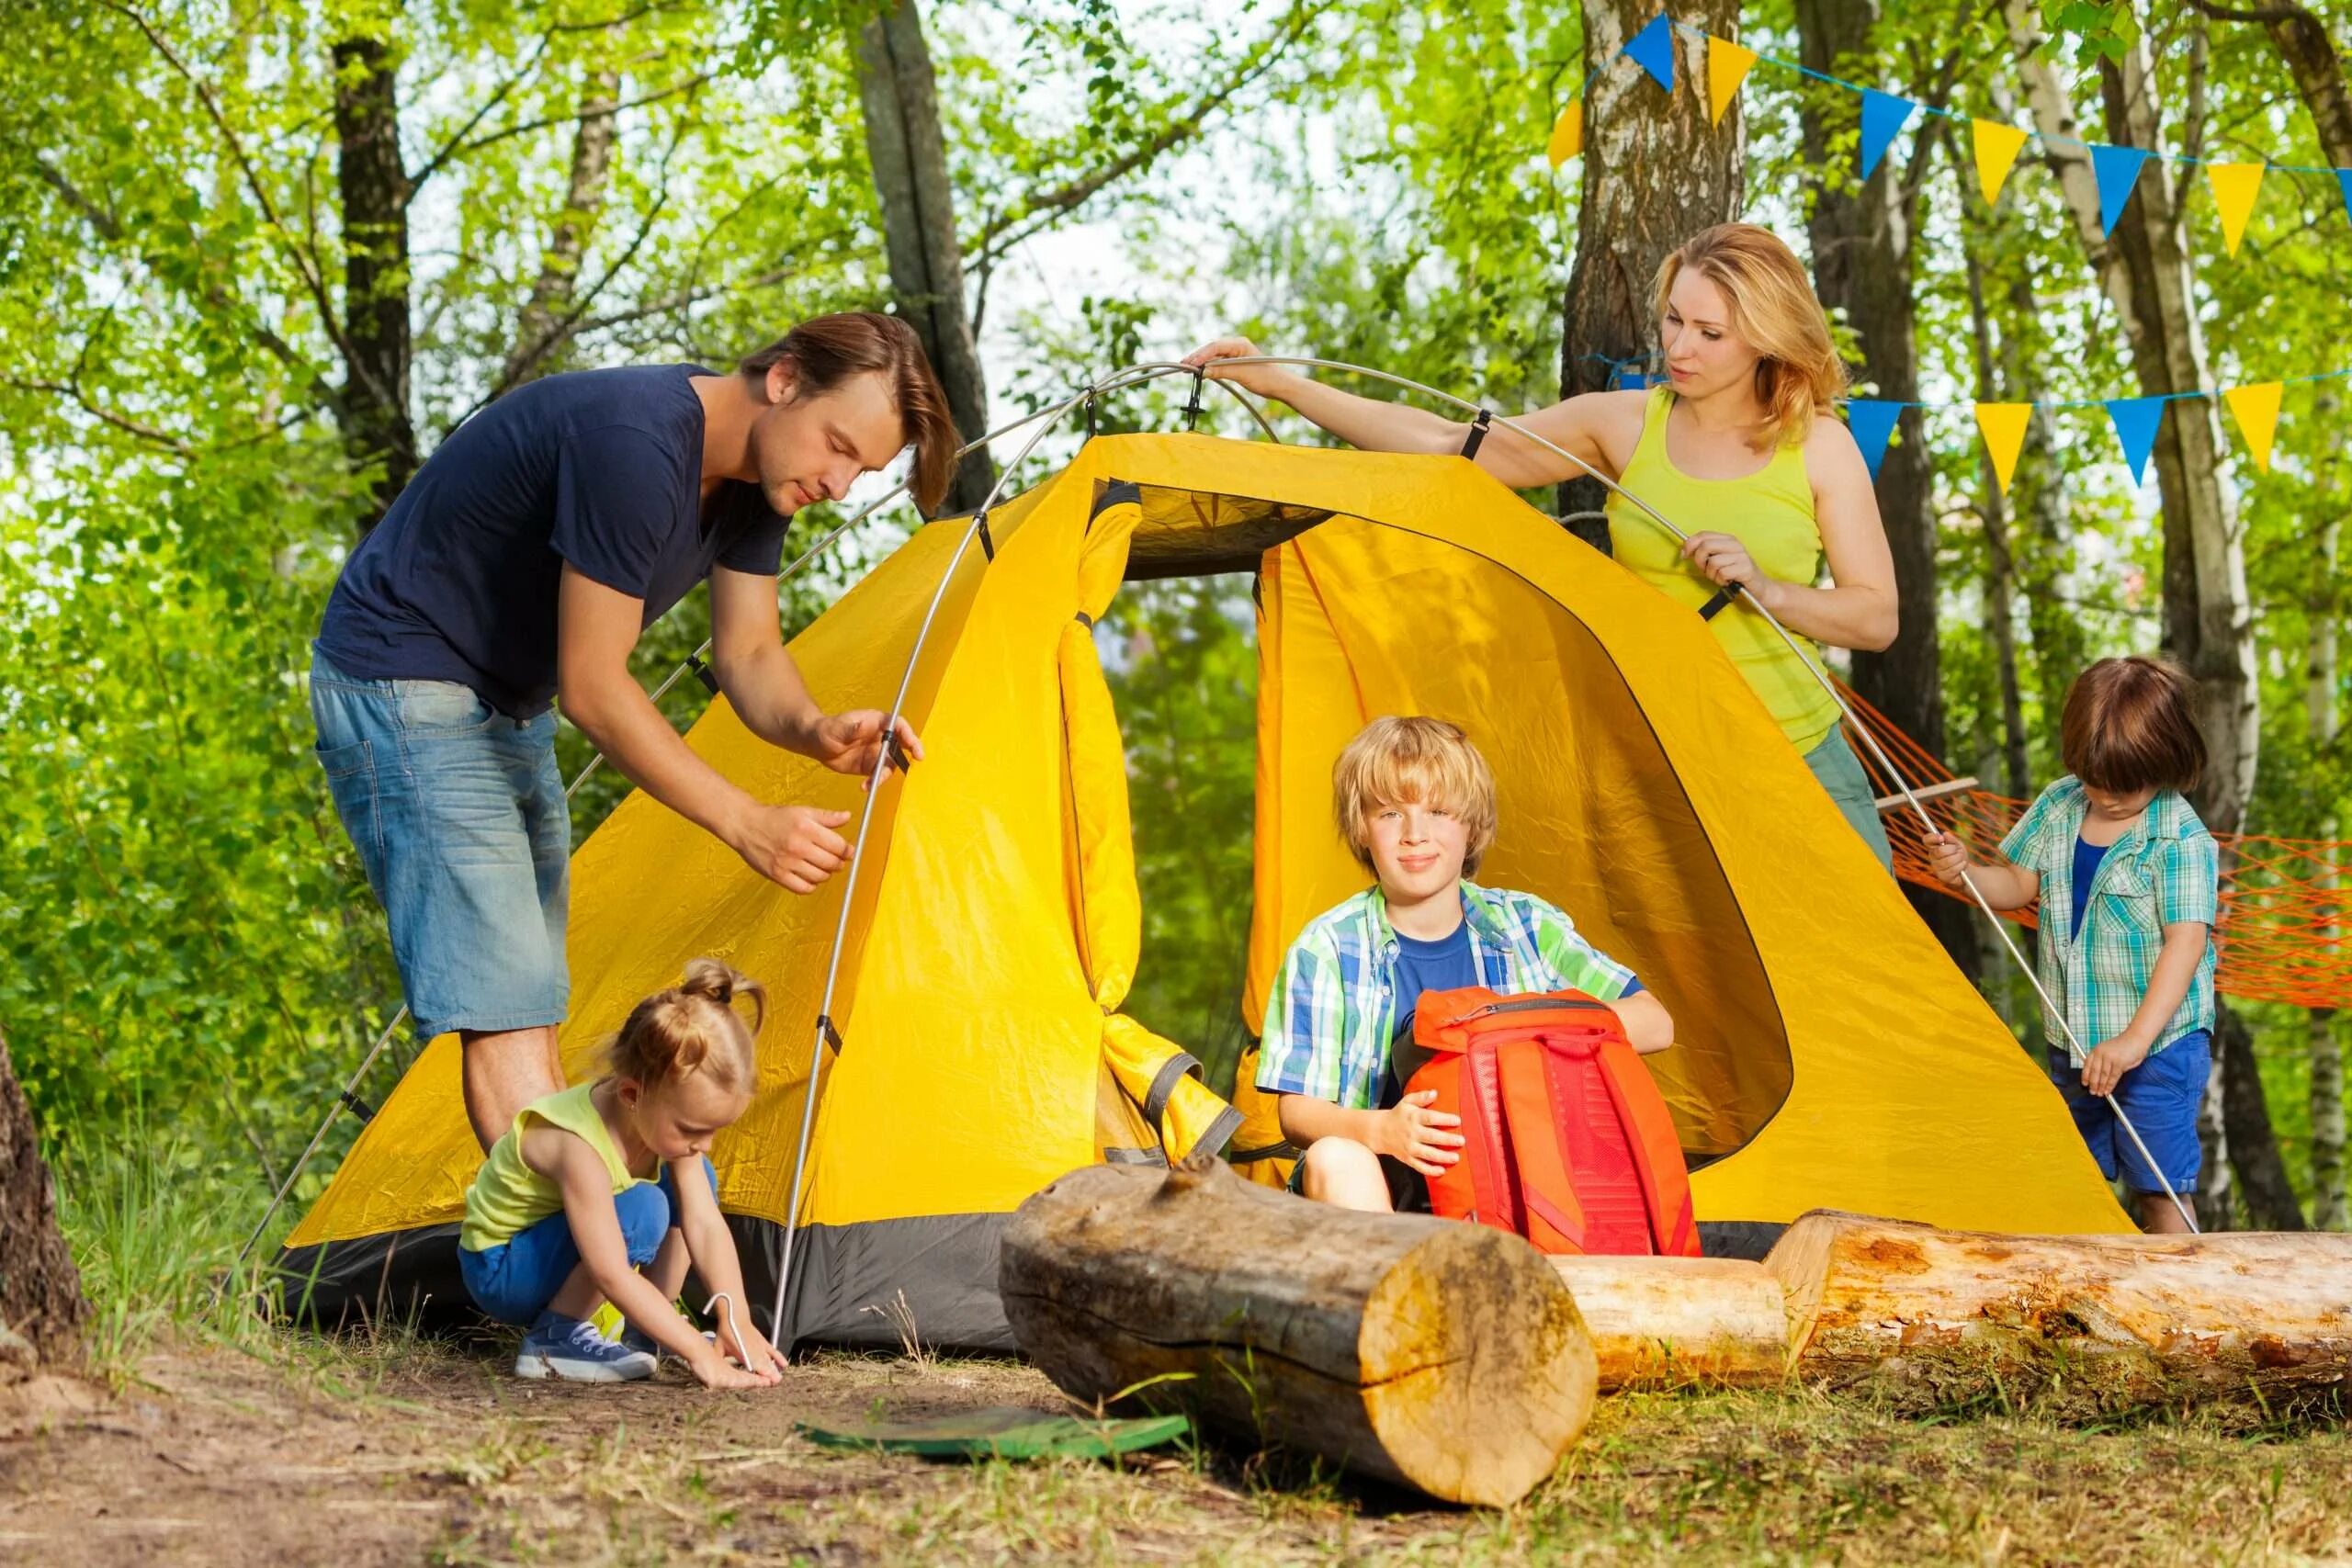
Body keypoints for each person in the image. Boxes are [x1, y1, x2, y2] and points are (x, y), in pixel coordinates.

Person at [311, 311, 959, 1150]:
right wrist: (748, 822)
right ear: (786, 379)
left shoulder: (762, 476)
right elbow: (593, 685)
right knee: (504, 1001)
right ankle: (575, 1261)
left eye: (861, 468)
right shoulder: (638, 444)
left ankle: (577, 1256)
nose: (839, 482)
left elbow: (751, 650)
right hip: (403, 678)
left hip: (503, 704)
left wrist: (814, 729)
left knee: (533, 993)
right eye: (837, 445)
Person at [1183, 222, 1900, 868]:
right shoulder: (1620, 426)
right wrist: (1279, 384)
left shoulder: (1818, 447)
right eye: (1674, 318)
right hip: (1668, 760)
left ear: (1766, 338)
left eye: (1710, 334)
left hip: (1800, 754)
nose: (1679, 347)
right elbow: (1444, 445)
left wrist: (1768, 591)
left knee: (1868, 978)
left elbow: (1875, 617)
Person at [1259, 716, 1674, 1213]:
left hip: (1521, 1171)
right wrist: (1381, 1129)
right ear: (1361, 829)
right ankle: (1404, 1285)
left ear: (1472, 825)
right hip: (1388, 1187)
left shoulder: (1526, 926)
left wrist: (1517, 1030)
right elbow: (1297, 1111)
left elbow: (1655, 1024)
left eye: (1438, 811)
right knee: (1334, 1156)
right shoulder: (1326, 947)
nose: (1415, 834)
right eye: (1390, 813)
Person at [1925, 657, 2217, 1234]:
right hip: (2073, 1041)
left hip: (2158, 1050)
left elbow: (2185, 946)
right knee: (2074, 1181)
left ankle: (2182, 1307)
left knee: (2159, 1191)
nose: (2107, 797)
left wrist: (2134, 1042)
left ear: (2167, 759)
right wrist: (1963, 875)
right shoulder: (2060, 804)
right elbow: (2016, 888)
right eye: (2095, 780)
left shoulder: (2182, 839)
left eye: (2126, 785)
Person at [459, 959, 786, 1384]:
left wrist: (736, 1318)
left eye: (714, 1131)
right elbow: (610, 1271)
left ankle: (646, 1332)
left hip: (557, 1251)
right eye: (691, 1129)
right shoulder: (576, 1145)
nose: (703, 1142)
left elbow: (705, 1224)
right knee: (645, 1205)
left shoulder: (656, 1117)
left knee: (695, 1179)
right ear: (633, 1094)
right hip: (504, 1269)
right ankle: (553, 1338)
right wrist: (698, 1354)